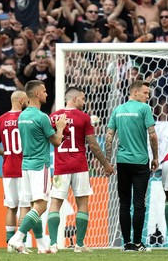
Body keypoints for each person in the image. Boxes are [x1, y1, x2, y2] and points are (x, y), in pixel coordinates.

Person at [47, 87, 114, 252]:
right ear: (75, 98)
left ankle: (53, 243)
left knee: (55, 203)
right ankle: (80, 244)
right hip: (79, 166)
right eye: (83, 99)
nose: (84, 102)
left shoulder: (53, 117)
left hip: (61, 166)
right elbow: (92, 144)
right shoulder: (83, 118)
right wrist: (106, 163)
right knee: (82, 203)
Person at [7, 80, 67, 254]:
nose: (47, 94)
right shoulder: (42, 117)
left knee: (31, 206)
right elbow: (56, 142)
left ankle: (41, 244)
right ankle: (18, 238)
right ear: (36, 94)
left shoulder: (23, 116)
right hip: (40, 165)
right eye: (45, 91)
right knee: (40, 206)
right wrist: (61, 128)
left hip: (25, 165)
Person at [105, 79, 158, 252]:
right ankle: (137, 243)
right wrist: (155, 157)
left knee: (124, 203)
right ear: (135, 92)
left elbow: (109, 137)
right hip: (140, 161)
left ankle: (126, 243)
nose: (147, 96)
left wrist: (107, 161)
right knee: (139, 203)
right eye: (145, 93)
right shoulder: (145, 109)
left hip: (122, 162)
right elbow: (152, 135)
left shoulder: (118, 110)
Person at [0, 90, 30, 250]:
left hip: (8, 168)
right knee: (24, 206)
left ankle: (9, 244)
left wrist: (4, 153)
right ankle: (20, 242)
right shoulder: (27, 118)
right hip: (24, 168)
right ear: (21, 101)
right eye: (27, 100)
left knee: (11, 206)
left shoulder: (1, 120)